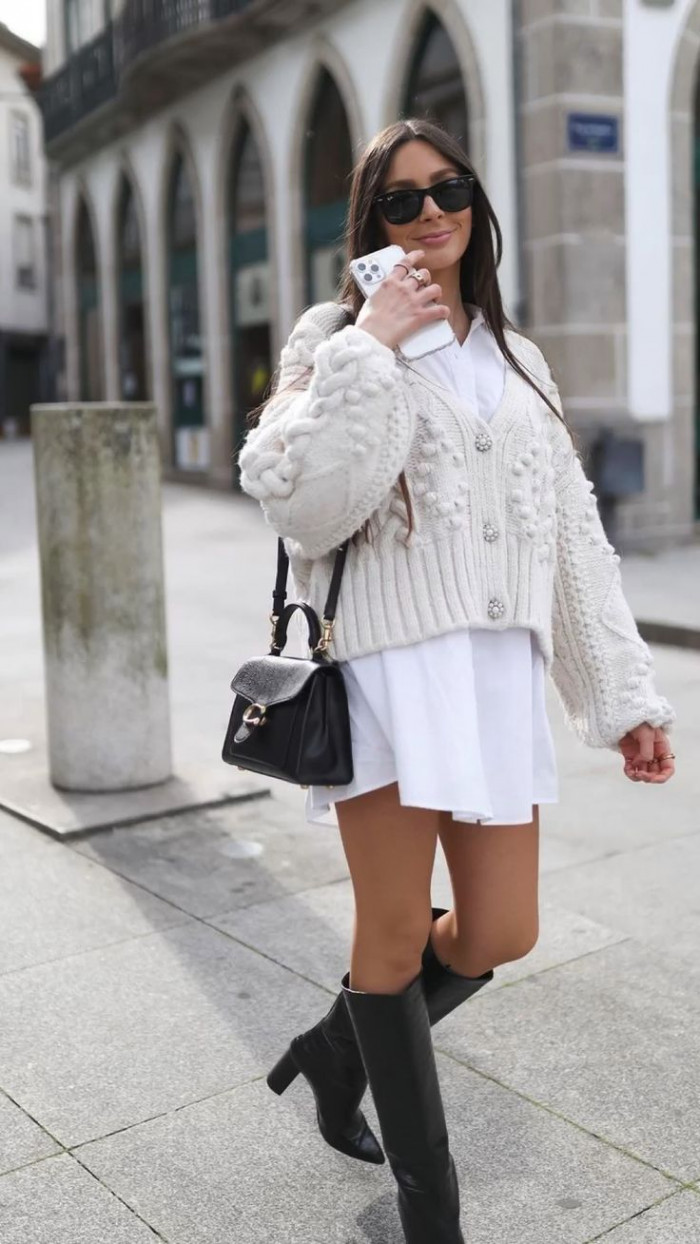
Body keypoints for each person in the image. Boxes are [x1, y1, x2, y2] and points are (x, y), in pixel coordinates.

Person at [238, 117, 677, 1244]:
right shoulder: (330, 335)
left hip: (494, 680)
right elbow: (302, 504)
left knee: (500, 929)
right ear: (369, 224)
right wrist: (370, 345)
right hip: (385, 674)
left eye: (450, 189)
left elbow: (571, 535)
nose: (430, 211)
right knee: (388, 937)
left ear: (476, 205)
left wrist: (620, 695)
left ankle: (334, 1052)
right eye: (399, 200)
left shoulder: (519, 358)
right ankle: (433, 1213)